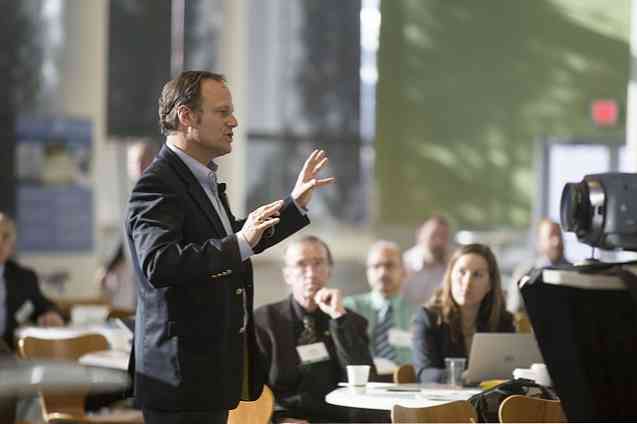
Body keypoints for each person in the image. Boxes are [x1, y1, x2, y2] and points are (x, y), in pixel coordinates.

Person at [126, 70, 334, 424]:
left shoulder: (201, 177)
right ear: (186, 116)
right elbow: (159, 263)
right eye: (222, 112)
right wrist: (239, 241)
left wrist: (293, 205)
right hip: (179, 381)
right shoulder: (157, 185)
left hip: (207, 376)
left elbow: (233, 239)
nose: (234, 121)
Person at [255, 236, 380, 423]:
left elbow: (364, 378)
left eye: (318, 263)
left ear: (329, 270)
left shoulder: (351, 322)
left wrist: (339, 319)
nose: (311, 273)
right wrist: (277, 419)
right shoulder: (265, 321)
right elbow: (253, 389)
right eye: (301, 264)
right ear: (287, 275)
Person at [412, 243, 514, 383]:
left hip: (489, 402)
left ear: (490, 284)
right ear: (449, 276)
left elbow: (510, 371)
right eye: (461, 272)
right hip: (443, 402)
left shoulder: (504, 321)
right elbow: (424, 373)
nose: (467, 282)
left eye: (477, 275)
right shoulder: (428, 318)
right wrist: (460, 377)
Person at [96, 141, 159, 310]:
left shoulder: (158, 193)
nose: (136, 167)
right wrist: (108, 268)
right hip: (135, 278)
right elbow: (126, 238)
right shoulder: (135, 194)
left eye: (141, 161)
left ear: (152, 161)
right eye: (133, 163)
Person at [344, 241, 416, 367]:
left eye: (390, 265)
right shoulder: (350, 307)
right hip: (364, 381)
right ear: (368, 272)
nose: (383, 273)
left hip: (408, 382)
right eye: (376, 266)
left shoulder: (418, 314)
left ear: (404, 271)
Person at [0, 213, 64, 349]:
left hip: (10, 357)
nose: (1, 241)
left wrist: (50, 314)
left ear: (11, 243)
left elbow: (43, 305)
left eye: (5, 236)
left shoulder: (24, 277)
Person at [506, 218, 570, 314]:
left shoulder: (575, 274)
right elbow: (514, 311)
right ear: (539, 243)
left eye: (559, 235)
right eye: (551, 235)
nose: (557, 241)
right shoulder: (524, 273)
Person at [401, 216, 451, 305]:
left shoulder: (451, 267)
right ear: (420, 235)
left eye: (444, 236)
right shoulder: (404, 264)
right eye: (433, 235)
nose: (439, 241)